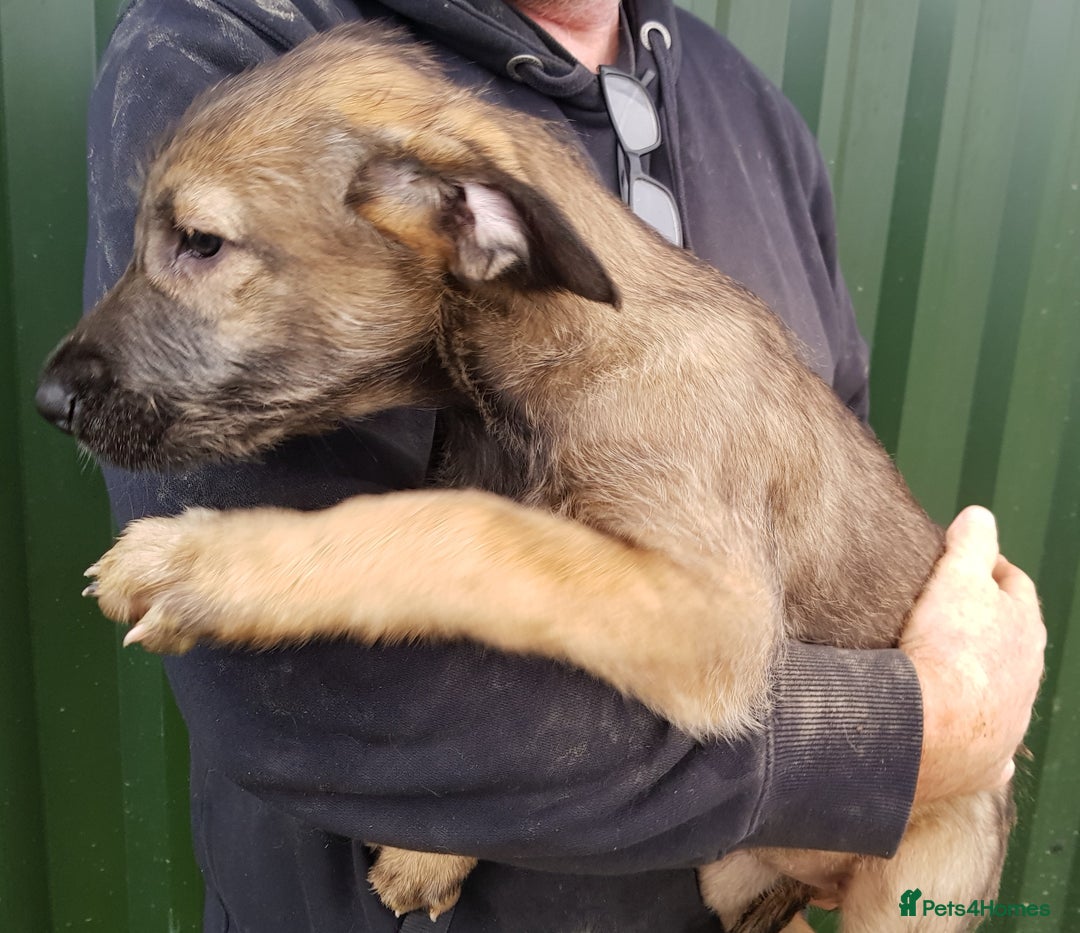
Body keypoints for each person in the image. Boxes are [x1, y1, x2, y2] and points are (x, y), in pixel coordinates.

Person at [84, 1, 1045, 931]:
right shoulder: (246, 52)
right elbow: (300, 698)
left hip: (890, 832)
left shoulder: (753, 112)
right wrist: (917, 732)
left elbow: (758, 562)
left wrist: (911, 762)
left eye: (202, 245)